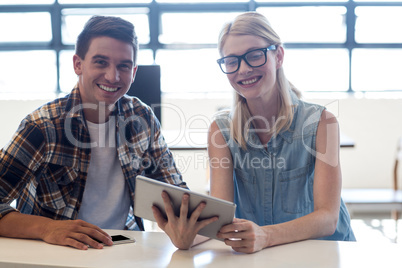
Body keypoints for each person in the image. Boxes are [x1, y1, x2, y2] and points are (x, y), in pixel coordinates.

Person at [0, 15, 215, 250]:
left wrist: (187, 230)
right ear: (78, 64)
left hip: (121, 247)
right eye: (101, 62)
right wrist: (46, 228)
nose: (113, 76)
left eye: (123, 66)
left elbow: (174, 195)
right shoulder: (43, 126)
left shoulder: (142, 118)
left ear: (133, 72)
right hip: (57, 253)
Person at [206, 12, 356, 253]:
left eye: (254, 55)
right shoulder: (221, 130)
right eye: (232, 61)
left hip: (322, 253)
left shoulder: (321, 123)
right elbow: (222, 218)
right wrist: (187, 234)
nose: (243, 69)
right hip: (260, 256)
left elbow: (328, 219)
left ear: (279, 56)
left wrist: (266, 235)